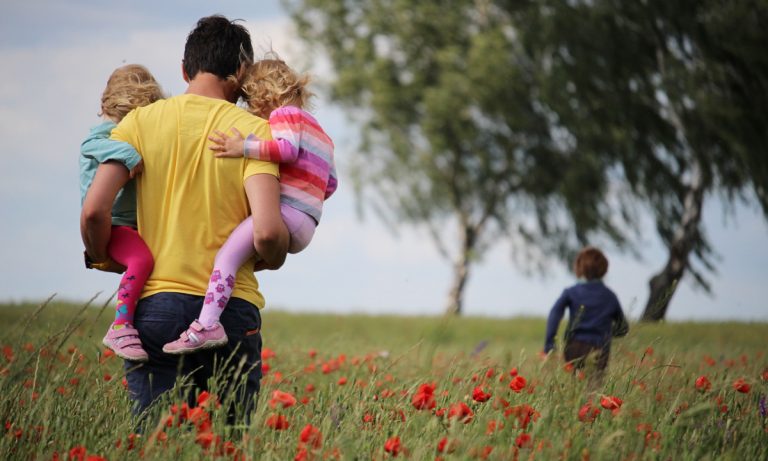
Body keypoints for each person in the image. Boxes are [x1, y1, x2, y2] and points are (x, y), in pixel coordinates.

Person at [80, 15, 289, 421]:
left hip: (154, 307)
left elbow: (93, 210)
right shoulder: (254, 133)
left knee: (157, 441)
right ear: (241, 72)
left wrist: (102, 254)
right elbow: (266, 232)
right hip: (230, 311)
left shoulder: (138, 123)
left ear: (184, 68)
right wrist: (276, 253)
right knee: (227, 444)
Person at [163, 56, 338, 354]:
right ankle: (217, 307)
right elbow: (331, 184)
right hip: (307, 222)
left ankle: (207, 324)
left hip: (286, 214)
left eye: (251, 101)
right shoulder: (322, 133)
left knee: (226, 258)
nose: (252, 110)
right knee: (241, 258)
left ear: (265, 94)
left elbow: (285, 149)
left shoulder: (284, 115)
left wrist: (241, 147)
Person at [80, 64, 163, 362]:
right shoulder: (105, 134)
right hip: (114, 224)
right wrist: (129, 154)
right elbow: (91, 145)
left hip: (129, 224)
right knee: (142, 260)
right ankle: (121, 325)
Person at [543, 246, 629, 381]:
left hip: (574, 346)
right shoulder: (610, 296)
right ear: (604, 269)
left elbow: (555, 314)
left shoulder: (571, 292)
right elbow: (623, 328)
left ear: (579, 267)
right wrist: (606, 333)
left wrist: (549, 344)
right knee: (594, 387)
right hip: (600, 348)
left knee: (575, 385)